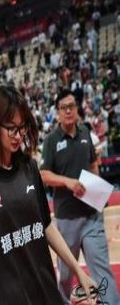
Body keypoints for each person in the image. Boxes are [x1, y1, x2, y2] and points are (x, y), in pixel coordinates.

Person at [0, 86, 94, 305]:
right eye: (11, 128)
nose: (18, 135)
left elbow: (46, 225)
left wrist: (78, 270)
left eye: (22, 128)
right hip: (3, 294)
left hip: (40, 287)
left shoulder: (30, 168)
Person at [41, 89, 120, 305]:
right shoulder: (51, 140)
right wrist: (67, 182)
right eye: (63, 108)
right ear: (58, 112)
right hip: (67, 220)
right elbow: (44, 175)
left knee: (101, 269)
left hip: (92, 216)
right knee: (66, 276)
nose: (68, 111)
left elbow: (93, 164)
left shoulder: (85, 132)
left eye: (71, 106)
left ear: (77, 108)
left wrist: (99, 191)